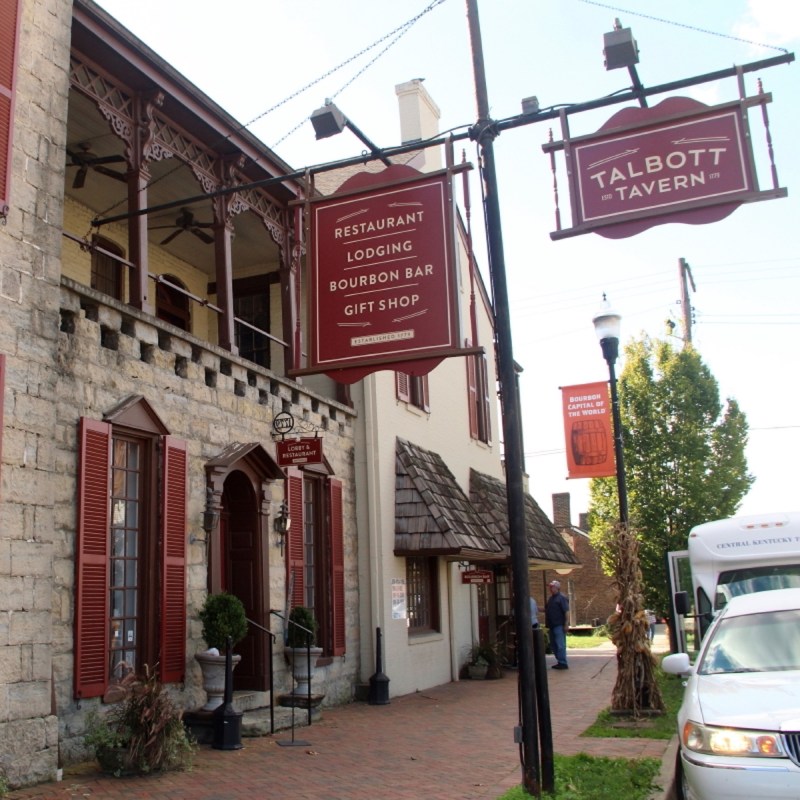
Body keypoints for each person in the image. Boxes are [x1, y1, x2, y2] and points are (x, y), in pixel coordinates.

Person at [545, 580, 569, 670]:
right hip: (551, 625)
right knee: (553, 645)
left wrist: (566, 624)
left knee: (560, 645)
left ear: (557, 588)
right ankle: (560, 661)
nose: (551, 588)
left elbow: (566, 611)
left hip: (559, 625)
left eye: (552, 587)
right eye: (550, 587)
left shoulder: (561, 598)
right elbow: (546, 609)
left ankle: (563, 663)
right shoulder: (551, 599)